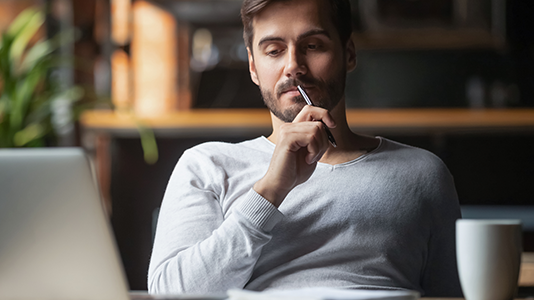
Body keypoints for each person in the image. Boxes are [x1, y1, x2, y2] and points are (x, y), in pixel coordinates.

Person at [148, 0, 462, 296]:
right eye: (274, 50)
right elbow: (171, 294)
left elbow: (454, 297)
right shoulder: (207, 166)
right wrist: (269, 191)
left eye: (312, 46)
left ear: (348, 54)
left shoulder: (423, 173)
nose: (294, 66)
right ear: (253, 67)